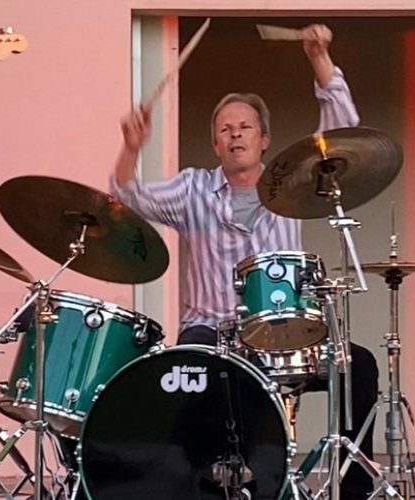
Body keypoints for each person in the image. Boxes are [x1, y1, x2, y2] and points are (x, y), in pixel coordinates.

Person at [111, 23, 377, 500]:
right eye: (225, 129)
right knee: (181, 381)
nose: (235, 135)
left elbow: (341, 129)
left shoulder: (293, 179)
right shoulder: (192, 189)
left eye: (244, 127)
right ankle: (198, 486)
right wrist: (132, 146)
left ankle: (353, 487)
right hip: (209, 332)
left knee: (359, 365)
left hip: (281, 332)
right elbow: (126, 197)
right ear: (216, 144)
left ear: (264, 140)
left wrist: (319, 59)